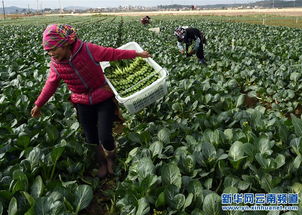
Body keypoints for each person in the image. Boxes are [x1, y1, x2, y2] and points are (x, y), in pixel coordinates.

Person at [31, 24, 151, 178]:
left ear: (65, 43)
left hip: (103, 97)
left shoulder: (87, 49)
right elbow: (50, 85)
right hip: (82, 102)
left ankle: (111, 158)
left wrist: (137, 54)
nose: (51, 54)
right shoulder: (56, 65)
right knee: (91, 137)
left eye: (54, 49)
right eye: (48, 51)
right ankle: (101, 161)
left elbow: (112, 54)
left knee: (105, 136)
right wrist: (38, 104)